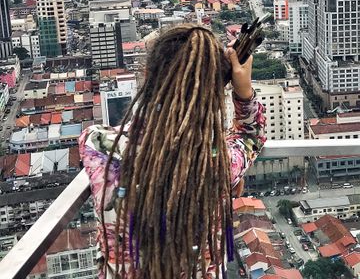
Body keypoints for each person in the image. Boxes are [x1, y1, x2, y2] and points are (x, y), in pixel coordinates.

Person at [79, 24, 266, 278]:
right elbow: (250, 135)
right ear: (214, 93)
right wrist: (242, 90)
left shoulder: (97, 146)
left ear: (147, 74)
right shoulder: (217, 164)